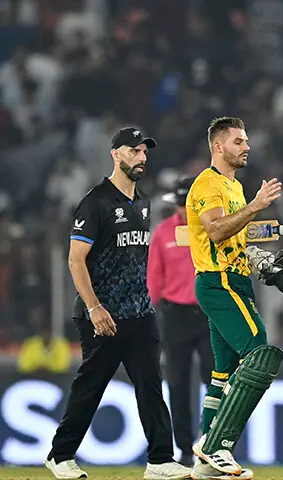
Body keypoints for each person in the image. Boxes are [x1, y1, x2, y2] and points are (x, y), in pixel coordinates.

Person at [46, 127, 192, 480]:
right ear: (115, 154)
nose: (141, 158)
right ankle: (60, 455)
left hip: (140, 312)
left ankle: (160, 460)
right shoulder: (96, 201)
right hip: (104, 315)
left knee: (151, 386)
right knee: (91, 387)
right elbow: (75, 260)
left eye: (144, 152)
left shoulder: (142, 202)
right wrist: (95, 308)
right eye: (134, 151)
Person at [185, 117, 283, 479]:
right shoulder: (209, 184)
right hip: (220, 282)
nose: (246, 146)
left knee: (223, 372)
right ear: (218, 146)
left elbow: (232, 236)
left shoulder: (233, 186)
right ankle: (217, 445)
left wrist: (254, 256)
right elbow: (214, 231)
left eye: (246, 141)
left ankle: (204, 459)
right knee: (259, 353)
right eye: (239, 141)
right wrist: (256, 206)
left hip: (234, 279)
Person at [147, 176, 214, 466]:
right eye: (183, 205)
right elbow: (154, 279)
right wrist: (146, 317)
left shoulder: (214, 229)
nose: (186, 211)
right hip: (175, 314)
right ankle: (186, 449)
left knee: (216, 381)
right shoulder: (163, 234)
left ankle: (213, 445)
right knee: (177, 383)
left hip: (209, 311)